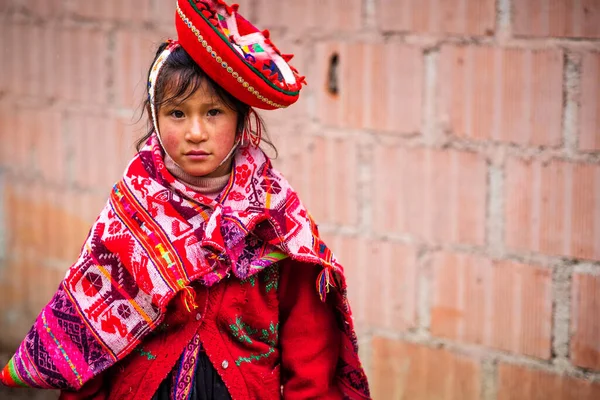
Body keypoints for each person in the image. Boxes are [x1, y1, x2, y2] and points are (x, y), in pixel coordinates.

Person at [0, 1, 370, 399]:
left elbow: (309, 349)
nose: (196, 132)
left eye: (213, 112)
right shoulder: (130, 213)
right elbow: (91, 333)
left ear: (242, 121)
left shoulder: (276, 221)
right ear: (156, 120)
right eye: (178, 113)